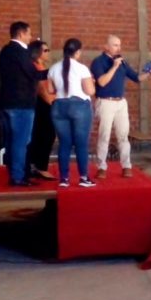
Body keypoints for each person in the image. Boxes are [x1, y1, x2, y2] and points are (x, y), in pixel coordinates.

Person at [90, 35, 151, 179]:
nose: (118, 48)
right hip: (105, 102)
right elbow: (102, 82)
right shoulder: (98, 62)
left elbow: (137, 78)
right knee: (104, 136)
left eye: (119, 45)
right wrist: (114, 66)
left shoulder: (122, 62)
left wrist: (150, 71)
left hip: (121, 103)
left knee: (123, 135)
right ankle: (102, 167)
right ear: (106, 46)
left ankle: (126, 166)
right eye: (115, 45)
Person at [0, 21, 43, 186]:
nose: (30, 37)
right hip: (22, 104)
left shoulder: (4, 51)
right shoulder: (21, 52)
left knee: (10, 141)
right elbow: (32, 74)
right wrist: (52, 72)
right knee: (20, 142)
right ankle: (18, 176)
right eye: (29, 34)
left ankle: (13, 173)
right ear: (21, 34)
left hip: (6, 101)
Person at [47, 38, 97, 188]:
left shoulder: (53, 68)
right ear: (78, 52)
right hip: (79, 106)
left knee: (64, 144)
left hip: (59, 107)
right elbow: (90, 91)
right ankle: (83, 178)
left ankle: (64, 179)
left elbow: (50, 90)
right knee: (81, 144)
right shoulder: (82, 68)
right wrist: (92, 83)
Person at [25, 40, 57, 181]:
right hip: (41, 105)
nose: (48, 53)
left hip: (46, 104)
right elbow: (43, 92)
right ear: (37, 52)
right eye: (45, 50)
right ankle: (40, 167)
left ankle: (38, 166)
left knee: (45, 135)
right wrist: (54, 99)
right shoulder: (35, 67)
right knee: (45, 135)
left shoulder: (42, 67)